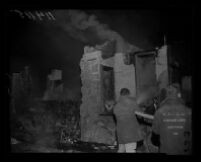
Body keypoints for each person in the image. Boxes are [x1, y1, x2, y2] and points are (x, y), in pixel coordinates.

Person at [151, 83, 192, 155]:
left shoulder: (159, 112)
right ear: (179, 95)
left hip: (166, 150)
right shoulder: (188, 112)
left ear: (167, 95)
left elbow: (154, 138)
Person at [112, 88, 143, 153]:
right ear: (128, 94)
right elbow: (140, 115)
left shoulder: (116, 105)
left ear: (120, 94)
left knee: (121, 150)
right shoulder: (132, 102)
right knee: (130, 150)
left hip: (121, 133)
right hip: (130, 132)